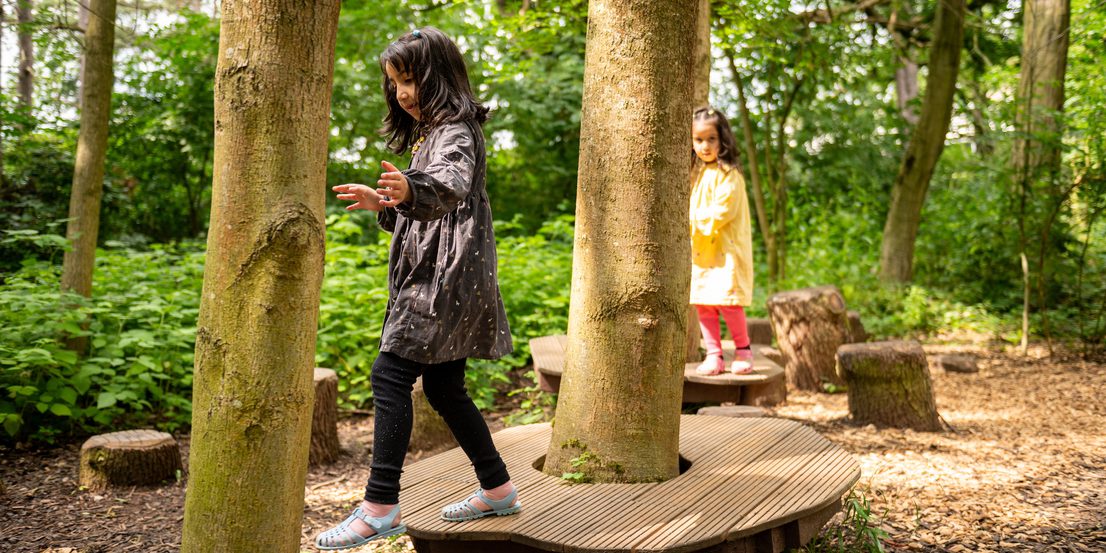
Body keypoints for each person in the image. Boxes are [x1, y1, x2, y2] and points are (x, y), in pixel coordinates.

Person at [315, 27, 521, 551]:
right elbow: (426, 209)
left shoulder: (454, 131)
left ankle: (380, 506)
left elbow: (449, 187)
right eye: (395, 83)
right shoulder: (436, 132)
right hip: (449, 278)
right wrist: (388, 203)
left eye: (410, 79)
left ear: (440, 77)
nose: (403, 93)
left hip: (441, 281)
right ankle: (497, 488)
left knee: (389, 377)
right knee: (444, 389)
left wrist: (413, 188)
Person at [689, 106, 755, 376]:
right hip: (703, 252)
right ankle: (714, 354)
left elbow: (721, 213)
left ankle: (743, 350)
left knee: (728, 301)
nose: (705, 146)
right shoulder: (700, 173)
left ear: (723, 139)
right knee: (704, 303)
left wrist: (688, 221)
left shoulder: (730, 175)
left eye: (711, 139)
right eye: (698, 140)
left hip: (726, 251)